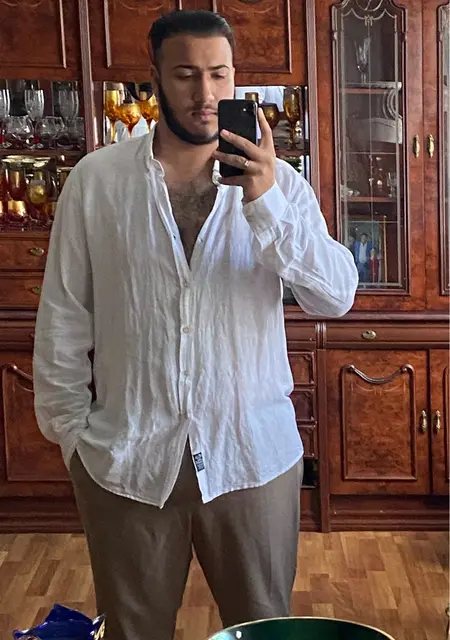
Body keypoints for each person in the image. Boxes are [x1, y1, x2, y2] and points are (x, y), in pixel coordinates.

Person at [33, 10, 358, 640]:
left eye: (219, 74)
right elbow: (65, 315)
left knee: (263, 629)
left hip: (251, 456)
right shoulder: (96, 183)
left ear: (236, 80)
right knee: (134, 631)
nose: (205, 93)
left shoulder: (282, 186)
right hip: (127, 457)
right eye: (185, 74)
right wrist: (71, 435)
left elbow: (334, 297)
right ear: (154, 78)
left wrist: (264, 203)